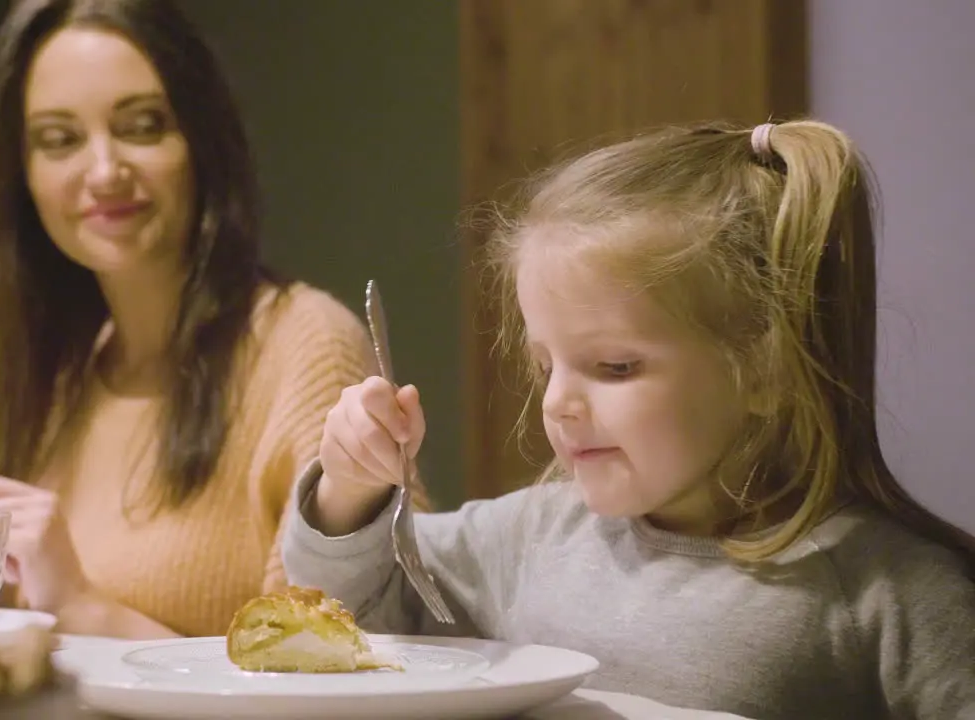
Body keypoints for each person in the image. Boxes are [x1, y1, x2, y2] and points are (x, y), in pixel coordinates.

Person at [283, 120, 975, 719]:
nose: (557, 402)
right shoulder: (532, 538)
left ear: (767, 368)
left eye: (614, 368)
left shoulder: (892, 591)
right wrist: (351, 486)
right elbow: (358, 607)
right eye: (544, 364)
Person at [0, 0, 395, 639]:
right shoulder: (62, 371)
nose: (103, 172)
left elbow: (320, 675)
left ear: (201, 140)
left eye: (141, 125)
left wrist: (81, 605)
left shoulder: (307, 346)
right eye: (60, 140)